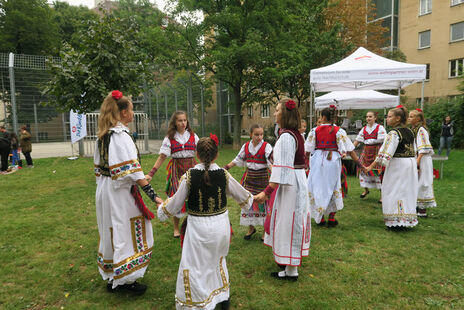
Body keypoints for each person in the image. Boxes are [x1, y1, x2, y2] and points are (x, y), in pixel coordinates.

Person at [157, 134, 253, 310]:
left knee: (194, 265)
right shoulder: (223, 174)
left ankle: (198, 302)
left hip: (198, 228)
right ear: (216, 155)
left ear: (196, 154)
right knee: (217, 260)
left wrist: (162, 209)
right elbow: (245, 198)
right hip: (220, 226)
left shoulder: (189, 176)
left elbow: (175, 204)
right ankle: (222, 297)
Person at [94, 90, 162, 294]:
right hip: (120, 194)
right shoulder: (120, 135)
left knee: (110, 230)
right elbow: (133, 173)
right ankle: (127, 279)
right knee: (127, 231)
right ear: (123, 112)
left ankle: (113, 277)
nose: (133, 113)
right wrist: (154, 196)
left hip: (106, 190)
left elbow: (100, 170)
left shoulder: (103, 135)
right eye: (131, 109)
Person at [254, 98, 311, 281]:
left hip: (290, 186)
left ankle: (291, 270)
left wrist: (266, 192)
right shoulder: (292, 134)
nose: (275, 113)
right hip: (294, 181)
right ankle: (288, 268)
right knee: (290, 222)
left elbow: (284, 170)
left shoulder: (287, 136)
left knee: (290, 222)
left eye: (277, 110)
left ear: (285, 114)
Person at [145, 111, 199, 238]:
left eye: (184, 120)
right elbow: (163, 156)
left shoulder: (193, 135)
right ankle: (176, 228)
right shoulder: (170, 137)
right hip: (177, 169)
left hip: (192, 168)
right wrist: (151, 173)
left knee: (194, 195)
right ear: (174, 122)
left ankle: (193, 225)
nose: (183, 123)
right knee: (176, 197)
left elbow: (199, 153)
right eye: (180, 120)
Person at [305, 106, 361, 227]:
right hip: (333, 160)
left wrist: (304, 163)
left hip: (318, 159)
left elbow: (307, 149)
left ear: (323, 117)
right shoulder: (339, 131)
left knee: (317, 186)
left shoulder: (315, 130)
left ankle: (321, 217)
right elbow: (350, 150)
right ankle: (331, 218)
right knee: (333, 186)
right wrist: (360, 164)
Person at [365, 105, 418, 229]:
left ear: (398, 118)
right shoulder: (410, 131)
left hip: (398, 165)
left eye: (389, 117)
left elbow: (384, 154)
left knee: (394, 190)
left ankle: (396, 221)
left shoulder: (393, 133)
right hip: (410, 164)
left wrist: (370, 167)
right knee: (406, 191)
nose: (387, 119)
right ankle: (405, 219)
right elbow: (414, 150)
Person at [224, 124, 272, 240]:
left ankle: (265, 231)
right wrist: (226, 167)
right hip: (250, 178)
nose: (259, 137)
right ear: (251, 134)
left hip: (263, 179)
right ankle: (251, 228)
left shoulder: (267, 147)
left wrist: (274, 174)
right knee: (249, 202)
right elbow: (238, 159)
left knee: (264, 205)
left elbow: (270, 162)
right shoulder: (246, 146)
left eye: (261, 134)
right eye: (256, 134)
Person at [353, 111, 386, 202]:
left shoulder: (380, 128)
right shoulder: (364, 129)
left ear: (375, 118)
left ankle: (382, 195)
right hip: (366, 151)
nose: (368, 118)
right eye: (367, 116)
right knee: (363, 170)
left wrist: (370, 141)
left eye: (370, 116)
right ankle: (366, 190)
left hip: (376, 151)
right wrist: (350, 148)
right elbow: (357, 140)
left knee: (378, 172)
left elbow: (383, 140)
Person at [409, 109, 436, 217]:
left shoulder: (421, 130)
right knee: (416, 182)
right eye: (409, 116)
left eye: (411, 117)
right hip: (418, 158)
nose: (409, 119)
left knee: (423, 182)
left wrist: (418, 161)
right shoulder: (415, 129)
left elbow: (423, 147)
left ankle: (422, 209)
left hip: (423, 159)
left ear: (418, 119)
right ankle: (416, 206)